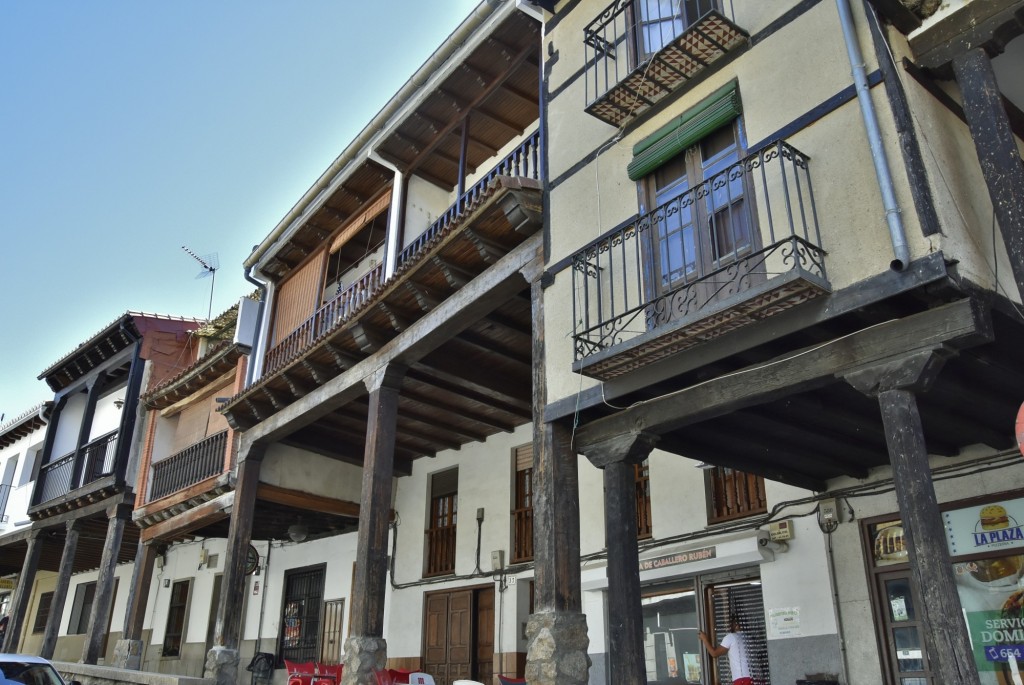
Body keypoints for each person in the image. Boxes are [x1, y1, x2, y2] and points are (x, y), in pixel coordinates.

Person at [698, 612, 751, 685]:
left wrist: (704, 639)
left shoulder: (731, 637)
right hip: (752, 676)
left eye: (730, 623)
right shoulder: (747, 638)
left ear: (735, 624)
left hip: (742, 679)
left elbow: (714, 653)